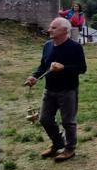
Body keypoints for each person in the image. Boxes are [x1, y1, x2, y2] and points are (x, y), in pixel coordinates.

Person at [25, 17, 86, 162]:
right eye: (50, 27)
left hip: (68, 90)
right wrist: (34, 77)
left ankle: (70, 148)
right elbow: (43, 66)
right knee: (45, 119)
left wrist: (64, 68)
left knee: (68, 122)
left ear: (65, 30)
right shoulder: (47, 45)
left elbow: (82, 68)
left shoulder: (75, 47)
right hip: (49, 89)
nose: (49, 30)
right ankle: (58, 143)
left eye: (53, 28)